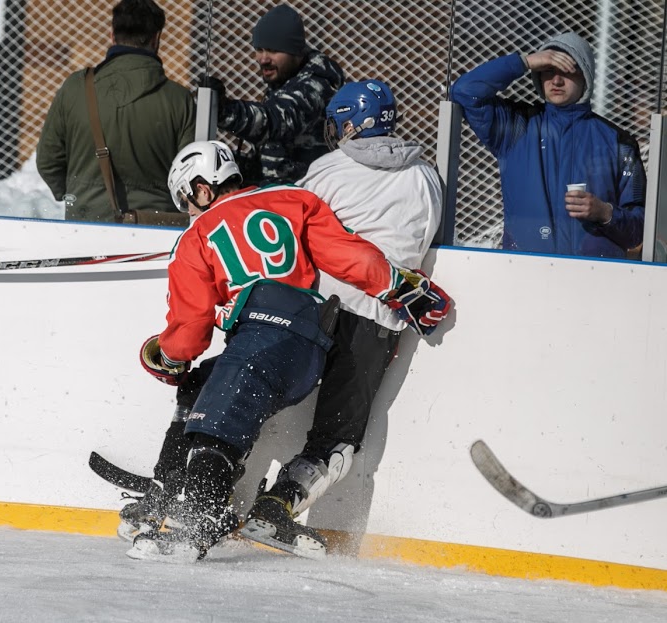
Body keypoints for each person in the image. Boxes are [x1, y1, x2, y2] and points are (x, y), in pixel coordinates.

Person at [126, 139, 452, 563]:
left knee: (214, 420)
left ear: (203, 190)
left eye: (188, 200)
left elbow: (190, 333)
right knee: (206, 388)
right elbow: (350, 257)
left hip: (259, 337)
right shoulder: (295, 199)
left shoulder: (196, 237)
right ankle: (173, 491)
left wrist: (165, 358)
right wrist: (403, 288)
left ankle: (198, 521)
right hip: (309, 346)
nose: (190, 211)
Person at [238, 80, 444, 558]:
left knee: (251, 391)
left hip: (314, 308)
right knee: (338, 437)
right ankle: (277, 506)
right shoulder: (427, 176)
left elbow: (288, 234)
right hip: (375, 320)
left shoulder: (327, 169)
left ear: (350, 122)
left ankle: (204, 481)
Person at [450, 31, 646, 258]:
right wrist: (525, 61)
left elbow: (640, 229)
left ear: (586, 77)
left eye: (567, 71)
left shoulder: (619, 141)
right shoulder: (516, 127)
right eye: (548, 71)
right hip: (524, 271)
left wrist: (605, 213)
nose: (556, 80)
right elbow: (464, 92)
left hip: (596, 277)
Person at [36, 0, 195, 224]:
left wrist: (79, 195)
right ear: (156, 38)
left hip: (85, 224)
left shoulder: (75, 88)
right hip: (155, 229)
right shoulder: (180, 100)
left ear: (112, 35)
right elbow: (192, 174)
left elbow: (47, 160)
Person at [202, 4, 345, 185]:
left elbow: (278, 122)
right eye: (259, 49)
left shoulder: (318, 82)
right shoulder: (284, 78)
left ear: (296, 52)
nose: (263, 59)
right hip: (274, 191)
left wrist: (225, 109)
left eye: (274, 51)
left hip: (305, 195)